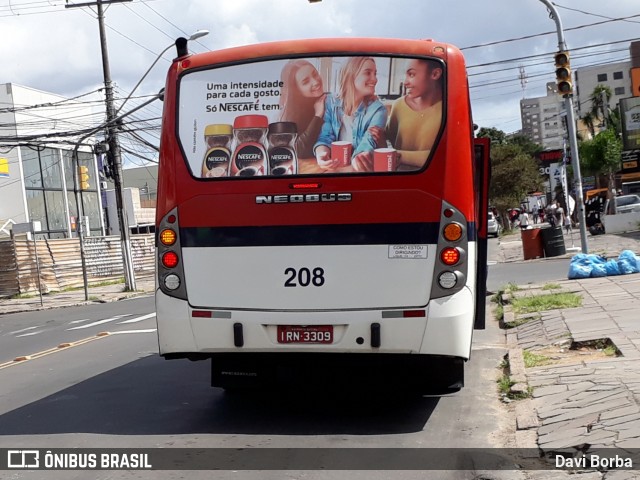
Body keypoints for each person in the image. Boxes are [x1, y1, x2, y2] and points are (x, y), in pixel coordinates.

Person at [367, 58, 444, 171]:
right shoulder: (399, 105)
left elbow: (443, 155)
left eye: (411, 74)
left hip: (432, 182)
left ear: (435, 74)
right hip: (400, 181)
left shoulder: (448, 109)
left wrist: (398, 155)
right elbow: (389, 146)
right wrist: (380, 138)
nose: (405, 82)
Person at [313, 57, 387, 170]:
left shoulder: (378, 110)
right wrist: (321, 154)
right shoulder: (330, 103)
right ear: (351, 75)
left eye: (375, 73)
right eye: (368, 73)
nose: (375, 79)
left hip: (357, 171)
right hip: (335, 169)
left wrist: (359, 158)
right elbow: (325, 136)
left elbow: (368, 142)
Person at [278, 60, 328, 159]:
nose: (316, 82)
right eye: (306, 82)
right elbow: (296, 151)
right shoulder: (290, 115)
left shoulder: (330, 101)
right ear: (296, 90)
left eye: (315, 74)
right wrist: (317, 116)